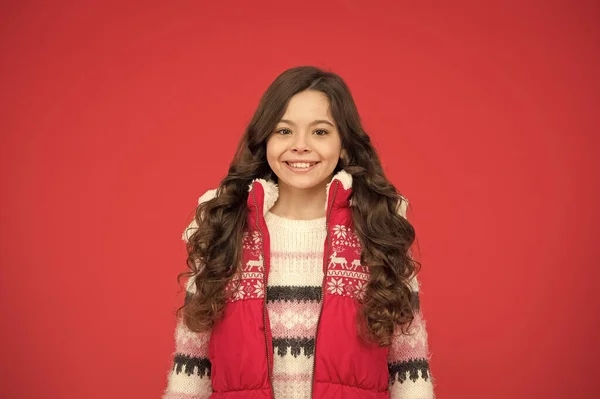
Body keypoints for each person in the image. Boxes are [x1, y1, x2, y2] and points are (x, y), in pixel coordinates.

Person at [161, 66, 436, 399]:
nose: (301, 146)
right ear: (264, 140)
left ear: (345, 145)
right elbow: (191, 365)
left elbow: (410, 369)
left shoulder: (379, 233)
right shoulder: (224, 229)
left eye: (320, 132)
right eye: (284, 131)